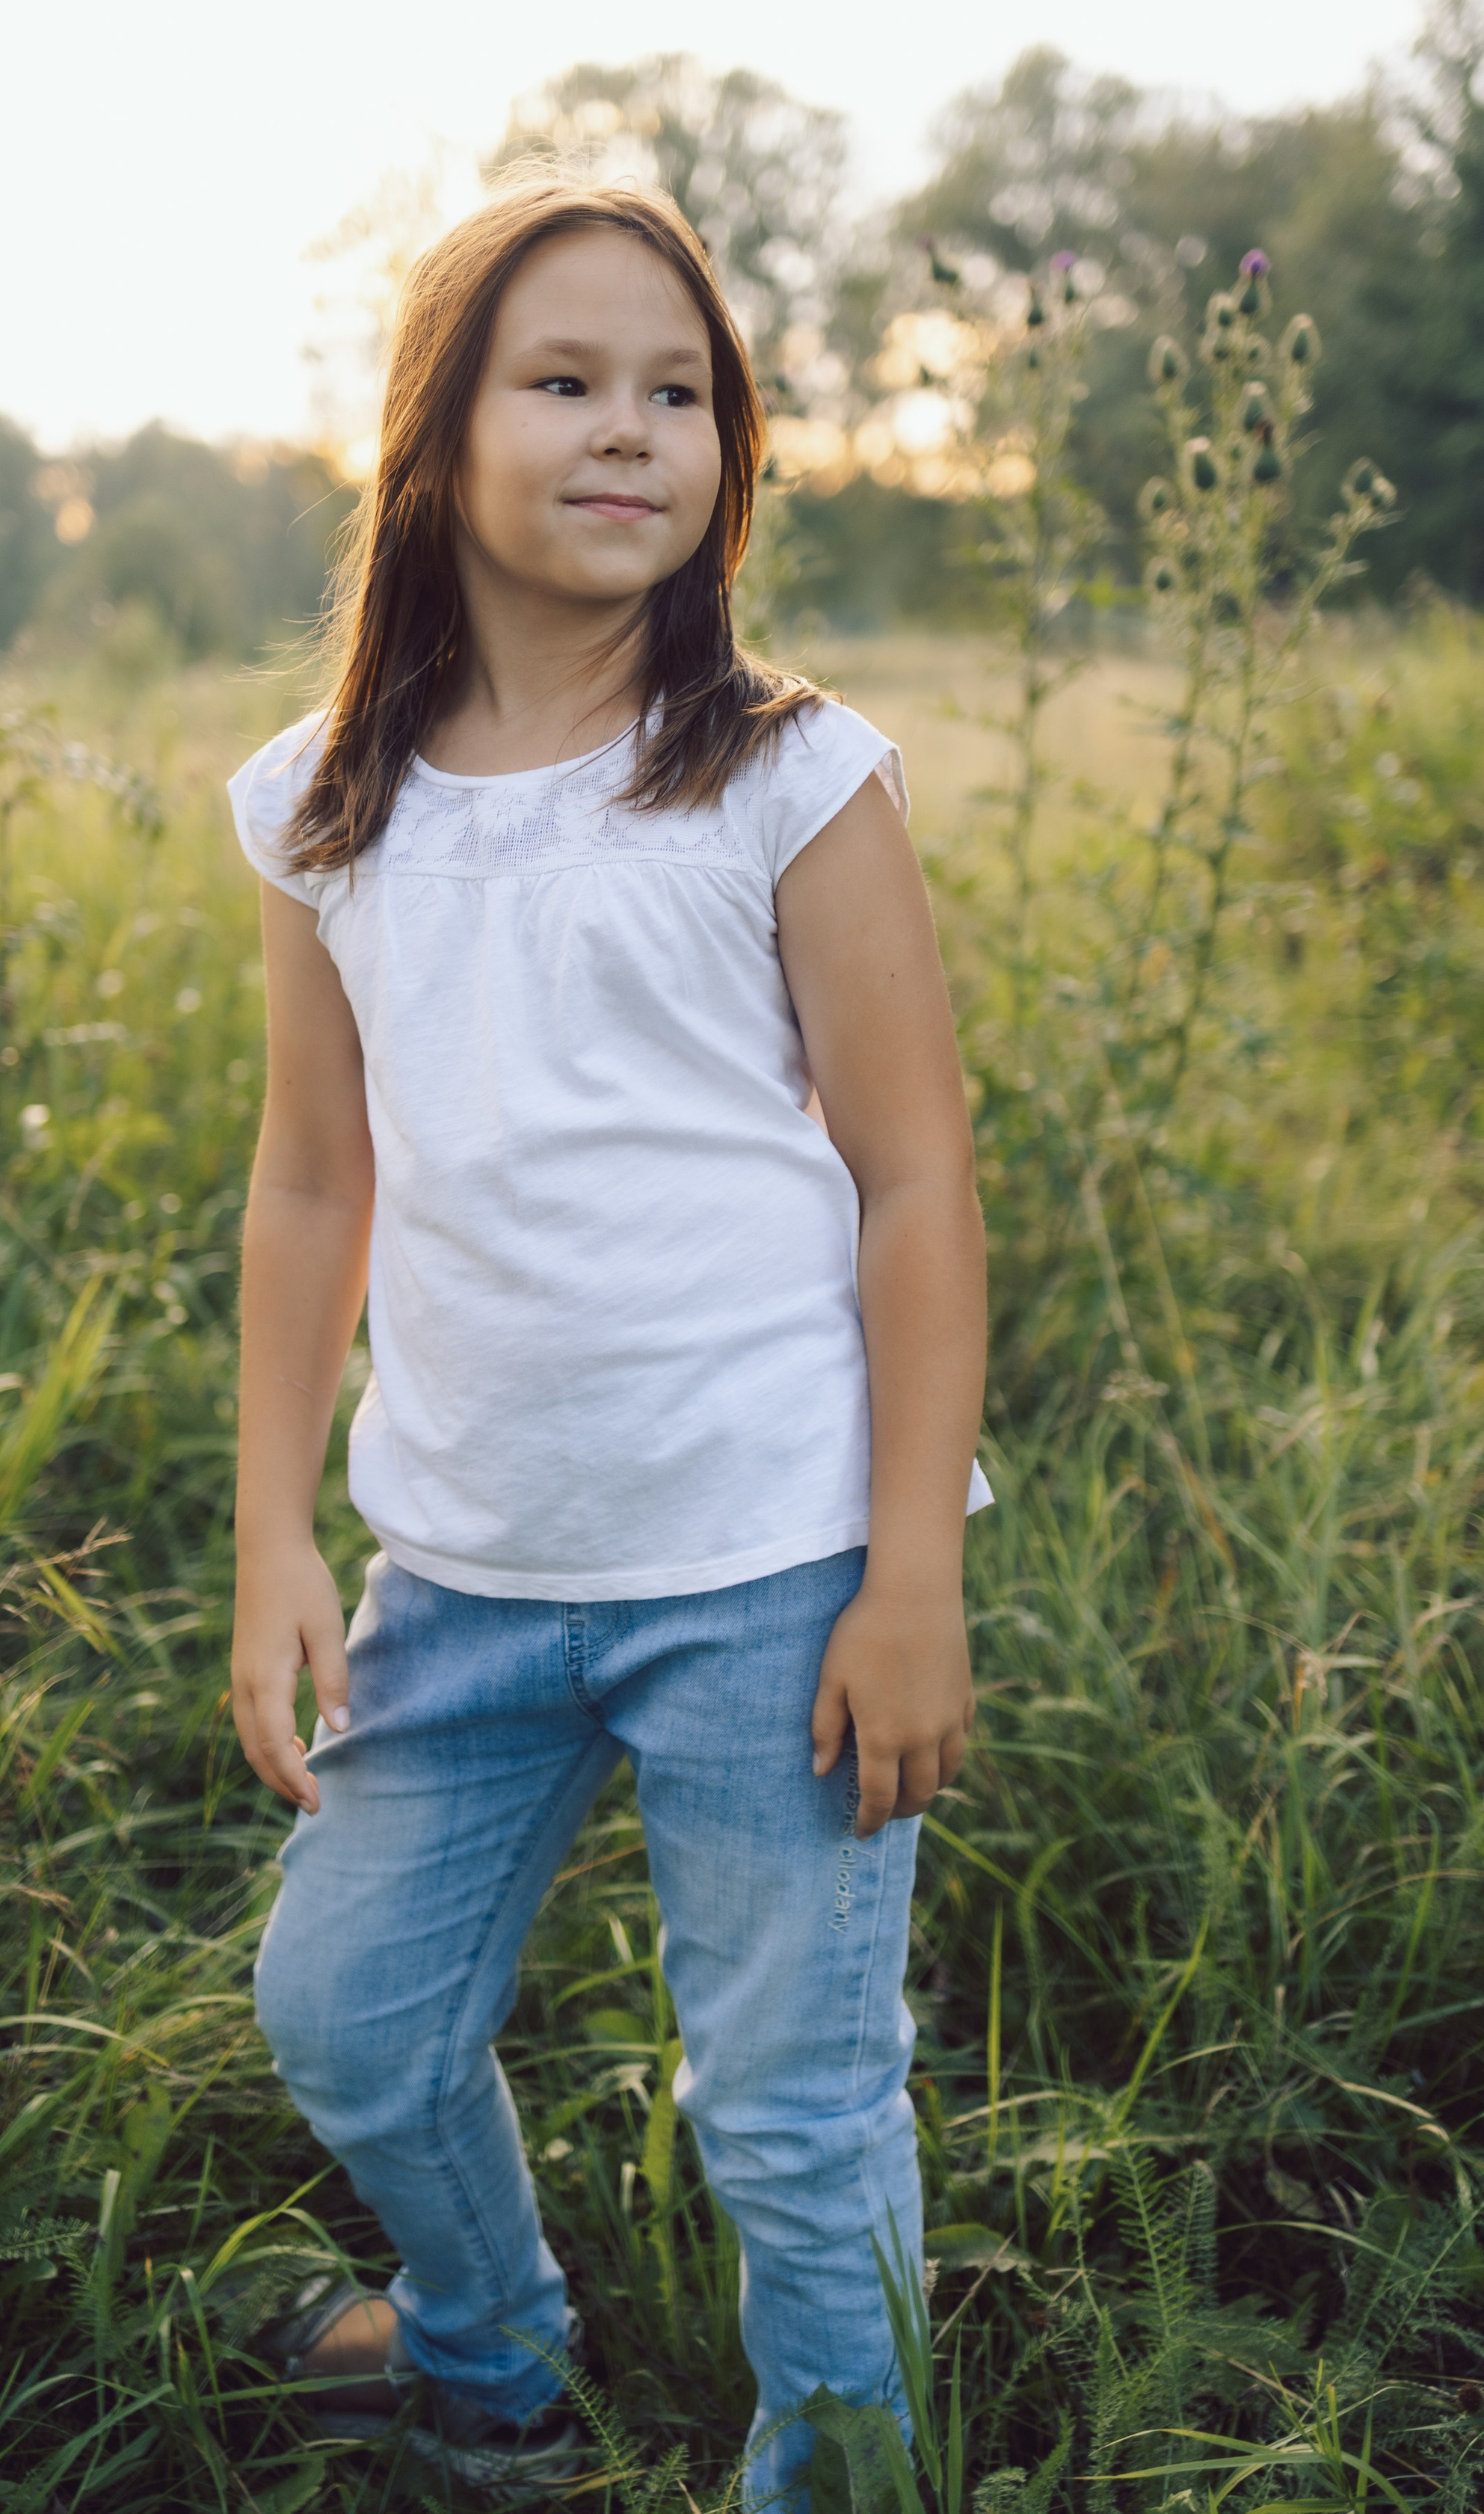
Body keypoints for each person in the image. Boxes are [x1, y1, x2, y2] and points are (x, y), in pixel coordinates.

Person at [225, 175, 990, 2504]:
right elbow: (312, 1186)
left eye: (681, 393)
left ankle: (839, 2476)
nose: (630, 430)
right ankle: (489, 2358)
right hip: (466, 1568)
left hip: (772, 1562)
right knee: (344, 2017)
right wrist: (272, 1529)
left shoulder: (783, 773)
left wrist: (911, 1571)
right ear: (435, 439)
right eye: (565, 381)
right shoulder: (321, 809)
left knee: (788, 2101)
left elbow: (918, 1177)